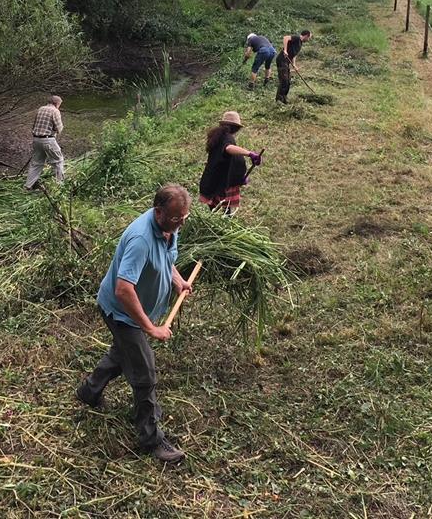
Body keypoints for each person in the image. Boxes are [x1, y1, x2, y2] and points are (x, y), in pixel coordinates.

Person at [76, 184, 194, 464]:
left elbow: (166, 259)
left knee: (121, 354)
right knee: (145, 371)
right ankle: (151, 439)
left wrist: (178, 281)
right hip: (121, 312)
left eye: (184, 218)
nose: (180, 224)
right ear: (159, 212)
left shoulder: (169, 228)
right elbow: (123, 289)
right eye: (177, 218)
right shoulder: (141, 239)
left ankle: (88, 392)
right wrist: (150, 328)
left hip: (133, 312)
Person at [198, 111, 262, 215]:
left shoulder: (219, 137)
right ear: (236, 128)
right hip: (218, 184)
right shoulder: (226, 138)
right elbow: (228, 148)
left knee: (216, 212)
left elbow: (230, 162)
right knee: (223, 212)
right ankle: (221, 227)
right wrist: (250, 154)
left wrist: (239, 177)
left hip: (212, 181)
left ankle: (220, 225)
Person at [25, 95, 64, 190]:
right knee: (58, 161)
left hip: (36, 139)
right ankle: (60, 186)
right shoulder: (55, 111)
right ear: (57, 103)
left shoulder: (41, 109)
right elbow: (59, 129)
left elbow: (34, 125)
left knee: (36, 163)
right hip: (48, 140)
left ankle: (28, 186)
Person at [275, 29, 312, 104]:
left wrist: (294, 65)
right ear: (306, 35)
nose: (309, 39)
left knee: (288, 82)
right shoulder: (297, 38)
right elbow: (285, 38)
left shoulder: (300, 43)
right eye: (309, 38)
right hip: (282, 60)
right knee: (284, 80)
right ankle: (279, 100)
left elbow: (294, 55)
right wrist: (285, 50)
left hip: (287, 62)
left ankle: (284, 98)